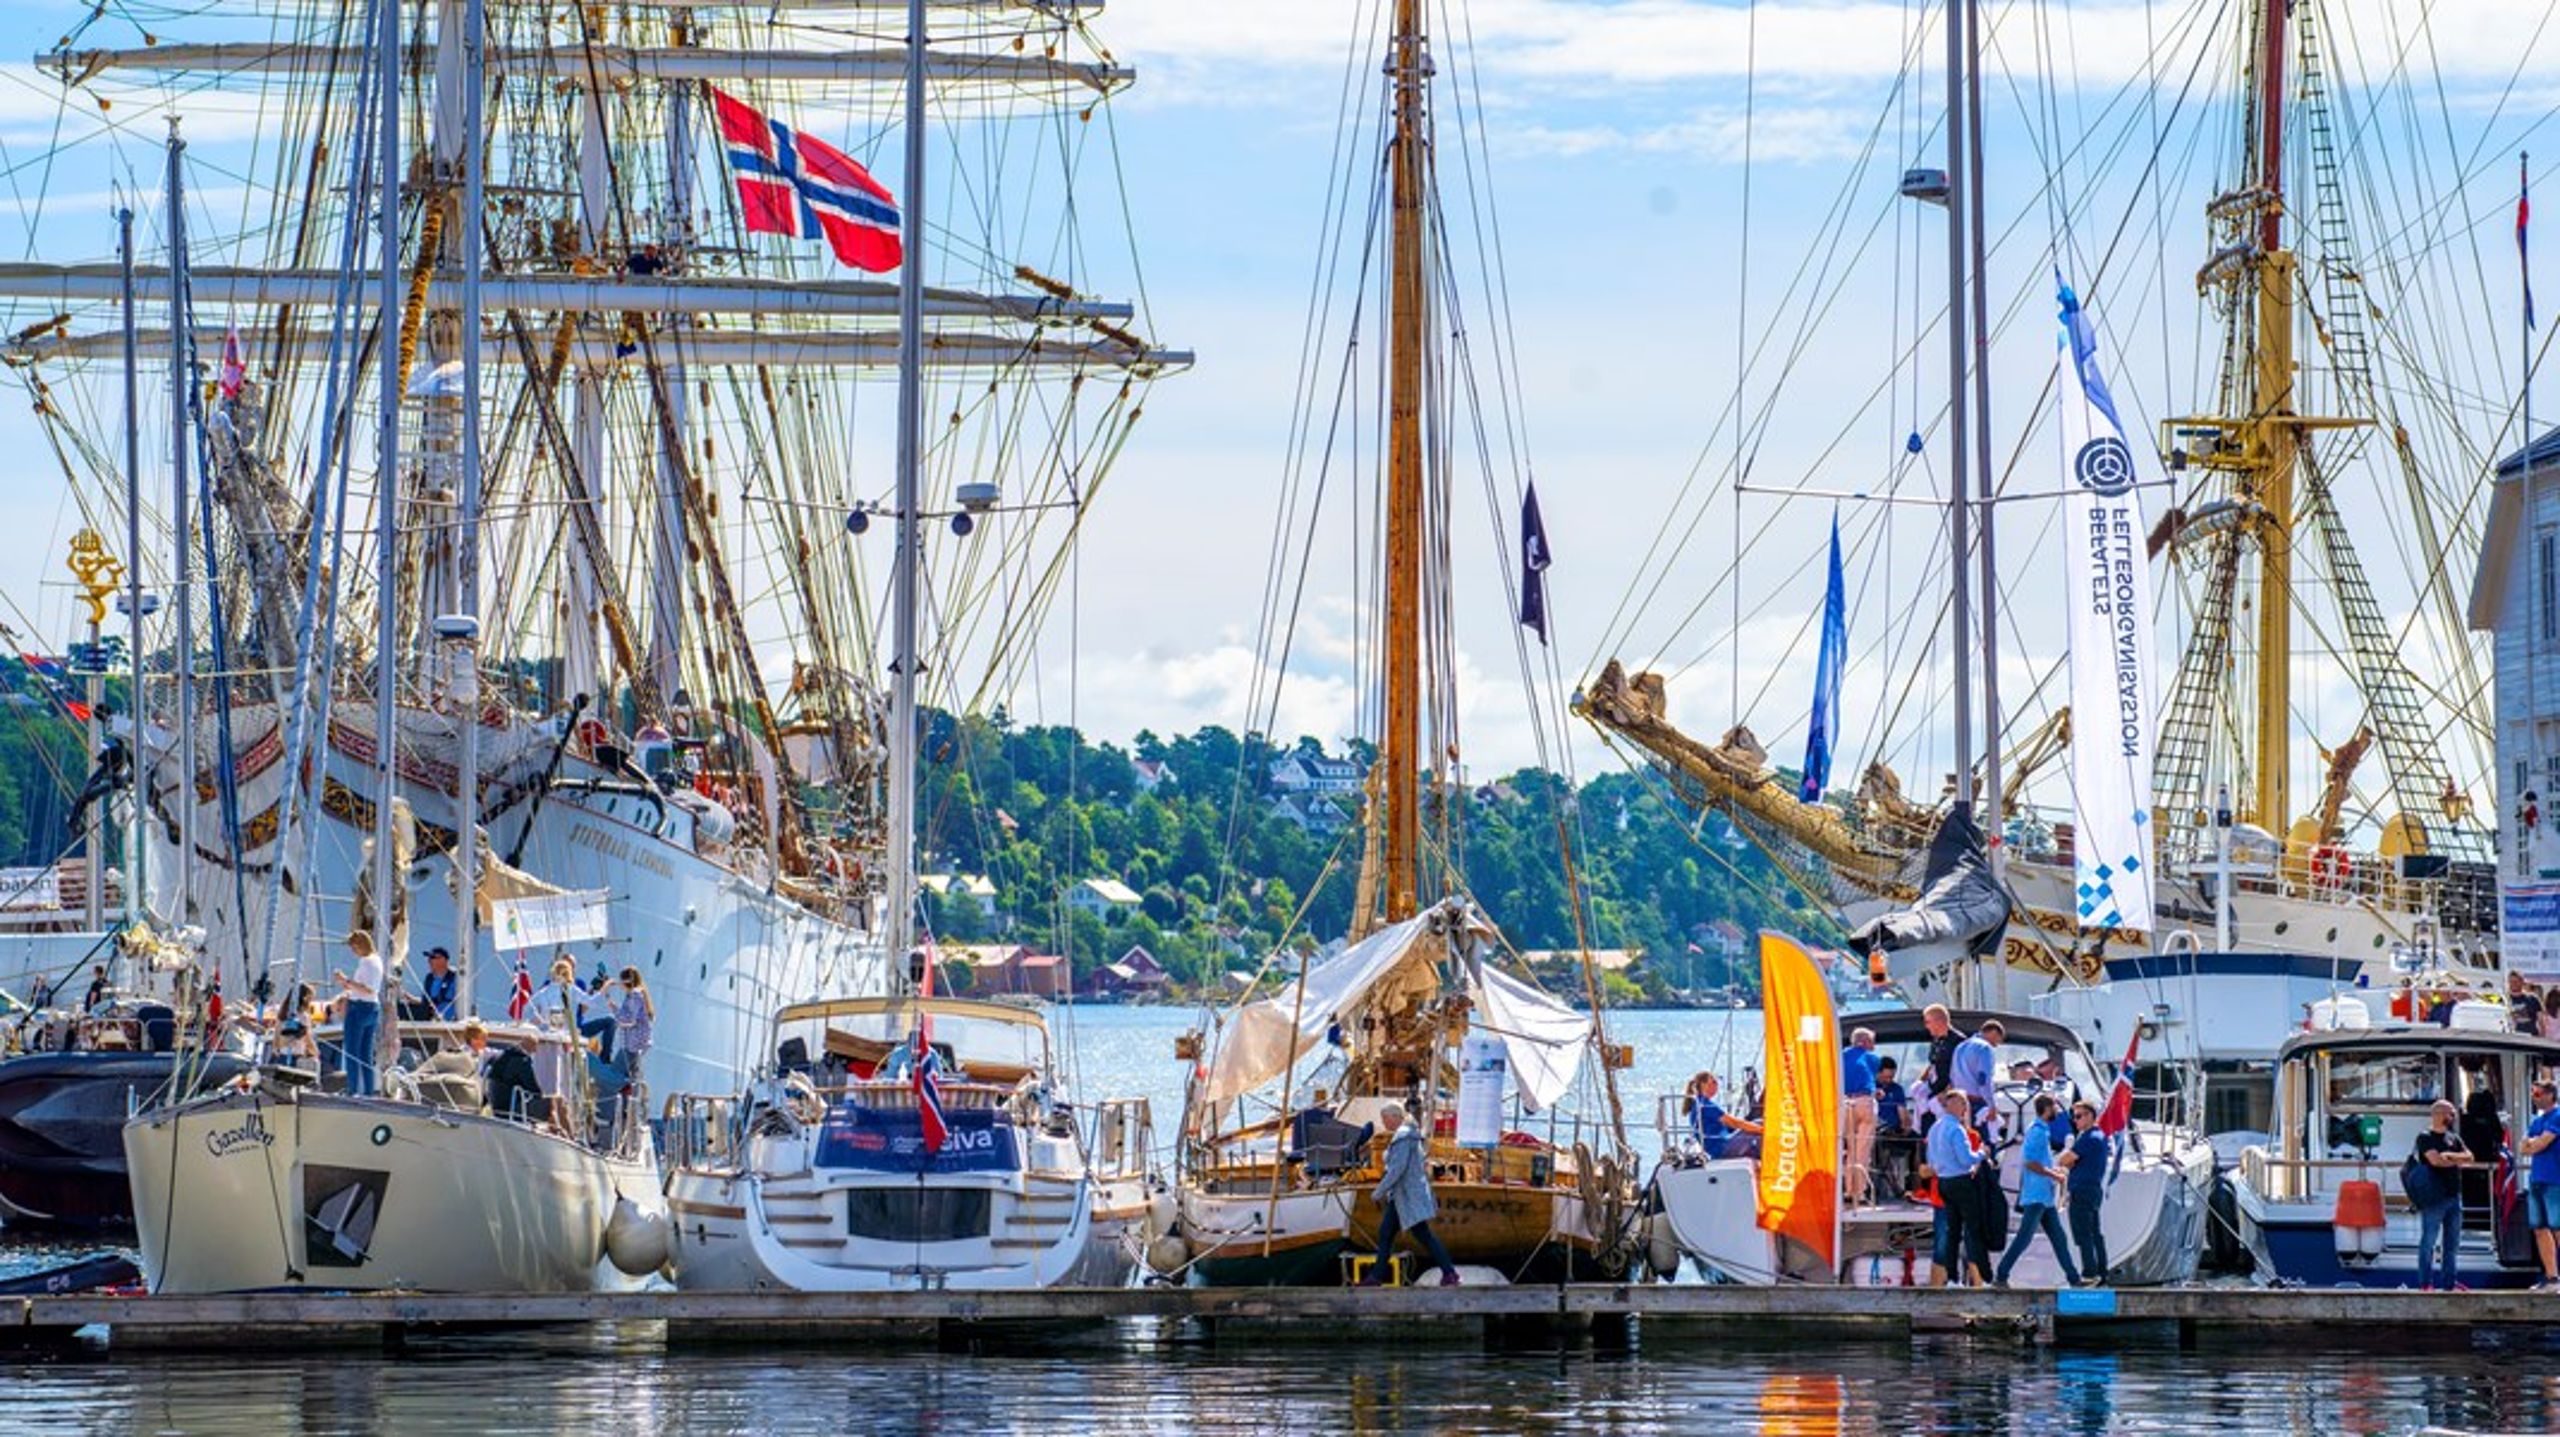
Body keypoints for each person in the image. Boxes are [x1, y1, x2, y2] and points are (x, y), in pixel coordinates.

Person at [1363, 1101, 1460, 1287]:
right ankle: (1376, 1277)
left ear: (1395, 1117)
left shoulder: (1403, 1137)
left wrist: (1378, 1192)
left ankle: (1450, 1273)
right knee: (1387, 1234)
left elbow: (1397, 1170)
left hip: (1406, 1196)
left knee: (1420, 1235)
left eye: (1385, 1119)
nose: (1384, 1123)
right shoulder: (1409, 1136)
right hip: (1403, 1196)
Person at [1994, 1095, 2082, 1288]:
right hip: (2036, 1195)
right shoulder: (2037, 1132)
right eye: (2055, 1107)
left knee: (2059, 1238)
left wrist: (2053, 1170)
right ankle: (2001, 1276)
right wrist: (2054, 1175)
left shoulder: (2041, 1130)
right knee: (2024, 1238)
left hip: (2044, 1196)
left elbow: (2038, 1161)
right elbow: (2030, 1162)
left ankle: (2074, 1279)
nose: (2058, 1111)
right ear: (2047, 1108)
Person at [1924, 1090, 1990, 1285]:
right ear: (1955, 1106)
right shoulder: (1957, 1129)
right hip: (1960, 1181)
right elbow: (1966, 1159)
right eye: (1963, 1105)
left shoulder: (1935, 1128)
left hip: (1943, 1182)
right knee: (1973, 1231)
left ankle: (1952, 1278)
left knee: (1952, 1234)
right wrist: (1982, 1153)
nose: (1965, 1109)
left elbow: (1931, 1160)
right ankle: (1985, 1279)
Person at [2413, 1098, 2472, 1291]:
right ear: (2438, 1114)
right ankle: (2425, 1283)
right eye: (2450, 1113)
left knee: (2452, 1245)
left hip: (2454, 1196)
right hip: (2433, 1198)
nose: (2453, 1116)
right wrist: (2454, 1159)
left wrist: (2450, 1157)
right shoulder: (2425, 1137)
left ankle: (2449, 1283)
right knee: (2428, 1242)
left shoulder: (2453, 1137)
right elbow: (2435, 1161)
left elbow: (2470, 1157)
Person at [2059, 1100, 2111, 1285]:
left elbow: (2065, 1160)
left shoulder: (2088, 1138)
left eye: (2079, 1116)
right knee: (2095, 1233)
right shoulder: (2100, 1136)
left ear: (2090, 1116)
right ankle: (2101, 1272)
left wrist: (2069, 1158)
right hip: (2093, 1189)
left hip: (2082, 1190)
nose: (2076, 1121)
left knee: (2083, 1234)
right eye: (2074, 1117)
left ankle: (2089, 1273)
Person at [334, 937, 385, 1097]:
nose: (352, 951)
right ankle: (368, 1090)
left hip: (359, 1008)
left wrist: (345, 980)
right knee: (366, 1054)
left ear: (360, 945)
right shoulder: (377, 961)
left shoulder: (367, 962)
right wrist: (347, 984)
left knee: (352, 1051)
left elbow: (368, 989)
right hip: (372, 1008)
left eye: (353, 947)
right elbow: (367, 989)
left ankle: (353, 1089)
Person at [2521, 1081, 2560, 1291]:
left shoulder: (2557, 1117)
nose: (2534, 1097)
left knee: (2558, 1228)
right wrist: (2533, 1144)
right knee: (2540, 1229)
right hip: (2536, 1179)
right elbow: (2523, 1147)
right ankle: (2552, 1278)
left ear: (2550, 1095)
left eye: (2537, 1093)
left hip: (2555, 1181)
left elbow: (2540, 1144)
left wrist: (2533, 1144)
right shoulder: (2537, 1120)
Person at [1683, 1071, 1763, 1159]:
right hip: (1722, 1147)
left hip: (1722, 1144)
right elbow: (1733, 1122)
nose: (1716, 1085)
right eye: (1713, 1082)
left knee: (1759, 1122)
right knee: (1762, 1137)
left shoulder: (1701, 1102)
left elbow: (1731, 1126)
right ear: (1703, 1085)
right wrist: (1761, 1130)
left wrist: (1755, 1128)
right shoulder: (1705, 1105)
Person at [1842, 1027, 1881, 1205]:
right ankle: (1860, 1192)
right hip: (1865, 1102)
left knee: (1851, 1149)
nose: (1874, 1045)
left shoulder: (1841, 1055)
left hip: (1845, 1102)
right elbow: (1871, 1077)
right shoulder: (1872, 1058)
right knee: (1863, 1149)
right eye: (1872, 1041)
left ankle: (1848, 1190)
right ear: (1864, 1042)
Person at [1873, 1057, 1917, 1198]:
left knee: (1917, 1141)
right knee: (1881, 1146)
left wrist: (1906, 1126)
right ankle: (1896, 1189)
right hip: (1877, 1132)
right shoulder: (1870, 1088)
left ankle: (1914, 1185)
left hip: (1894, 1130)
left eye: (1891, 1077)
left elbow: (1902, 1111)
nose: (1889, 1080)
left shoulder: (1896, 1089)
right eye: (1886, 1077)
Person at [613, 967, 655, 1084]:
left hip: (632, 1043)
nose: (620, 984)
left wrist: (615, 1011)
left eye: (621, 981)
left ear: (626, 981)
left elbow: (630, 1019)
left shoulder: (635, 995)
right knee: (632, 1077)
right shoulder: (638, 994)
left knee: (615, 1074)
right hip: (637, 1043)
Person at [419, 948, 460, 1022]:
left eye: (433, 958)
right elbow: (426, 1001)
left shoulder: (457, 978)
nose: (429, 961)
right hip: (432, 1023)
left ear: (444, 960)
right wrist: (409, 997)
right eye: (429, 958)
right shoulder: (429, 979)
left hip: (452, 1024)